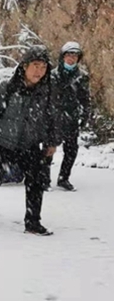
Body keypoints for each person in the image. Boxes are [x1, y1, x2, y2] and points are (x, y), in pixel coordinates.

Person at [0, 45, 59, 236]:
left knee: (35, 183)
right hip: (4, 142)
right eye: (35, 65)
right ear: (24, 66)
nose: (39, 71)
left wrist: (51, 142)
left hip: (30, 144)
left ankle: (33, 222)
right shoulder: (8, 88)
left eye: (43, 67)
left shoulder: (46, 92)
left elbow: (51, 118)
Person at [46, 41, 91, 191]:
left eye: (75, 56)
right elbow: (45, 97)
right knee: (48, 149)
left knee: (71, 150)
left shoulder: (82, 77)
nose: (71, 59)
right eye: (69, 55)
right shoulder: (52, 75)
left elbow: (85, 97)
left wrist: (85, 114)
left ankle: (64, 178)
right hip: (54, 117)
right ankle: (44, 179)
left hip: (72, 117)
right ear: (62, 57)